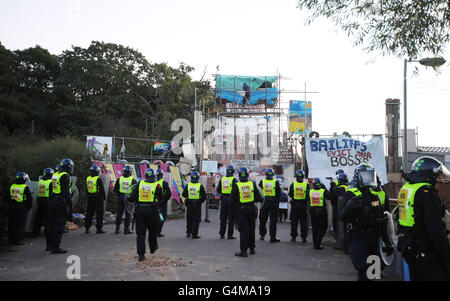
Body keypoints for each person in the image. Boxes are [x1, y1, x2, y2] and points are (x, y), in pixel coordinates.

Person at [396, 156, 450, 281]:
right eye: (436, 176)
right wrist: (446, 252)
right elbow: (434, 228)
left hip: (409, 245)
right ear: (429, 174)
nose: (437, 180)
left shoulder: (407, 189)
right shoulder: (427, 193)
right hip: (425, 248)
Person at [339, 163, 384, 281]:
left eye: (370, 176)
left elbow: (382, 217)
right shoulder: (350, 194)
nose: (368, 179)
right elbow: (342, 216)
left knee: (374, 272)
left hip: (373, 237)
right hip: (358, 236)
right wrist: (349, 206)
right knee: (363, 269)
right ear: (359, 177)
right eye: (365, 176)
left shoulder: (374, 195)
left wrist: (387, 241)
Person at [127, 168, 163, 262]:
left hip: (140, 211)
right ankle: (152, 248)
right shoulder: (157, 185)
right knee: (152, 231)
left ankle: (141, 255)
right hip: (152, 211)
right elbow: (161, 198)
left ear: (146, 175)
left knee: (140, 234)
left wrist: (129, 199)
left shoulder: (140, 184)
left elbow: (131, 197)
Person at [231, 167, 263, 257]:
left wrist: (232, 215)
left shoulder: (236, 186)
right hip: (251, 209)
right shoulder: (252, 184)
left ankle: (244, 251)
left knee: (244, 231)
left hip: (241, 210)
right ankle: (252, 248)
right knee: (251, 229)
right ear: (248, 175)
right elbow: (259, 198)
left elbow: (232, 202)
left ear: (239, 175)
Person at [49, 158, 74, 254]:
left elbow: (52, 189)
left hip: (54, 200)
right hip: (60, 202)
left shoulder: (55, 174)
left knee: (53, 223)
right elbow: (66, 192)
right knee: (59, 225)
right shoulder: (65, 176)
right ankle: (55, 247)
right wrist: (70, 205)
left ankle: (50, 245)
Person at [8, 172, 33, 246]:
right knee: (19, 225)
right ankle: (16, 241)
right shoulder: (25, 187)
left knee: (11, 224)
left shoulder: (12, 186)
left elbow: (8, 197)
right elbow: (30, 199)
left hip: (12, 207)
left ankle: (11, 239)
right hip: (21, 208)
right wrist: (26, 208)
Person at [33, 168, 54, 250]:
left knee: (38, 217)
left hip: (40, 200)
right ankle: (47, 234)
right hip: (47, 201)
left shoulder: (40, 181)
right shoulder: (50, 182)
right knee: (48, 219)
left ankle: (35, 232)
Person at [258, 168, 281, 242]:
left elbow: (259, 192)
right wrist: (276, 202)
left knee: (262, 220)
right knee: (273, 220)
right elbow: (278, 194)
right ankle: (272, 237)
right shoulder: (275, 182)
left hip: (264, 202)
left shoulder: (262, 182)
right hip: (273, 202)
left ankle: (262, 235)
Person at [182, 171, 206, 239]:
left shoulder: (188, 185)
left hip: (189, 204)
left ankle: (188, 232)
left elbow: (183, 194)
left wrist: (189, 197)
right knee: (196, 219)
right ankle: (194, 234)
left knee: (189, 218)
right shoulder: (200, 186)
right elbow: (204, 196)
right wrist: (199, 201)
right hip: (197, 205)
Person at [113, 166, 137, 234]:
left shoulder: (120, 179)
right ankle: (126, 229)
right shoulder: (132, 180)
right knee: (128, 214)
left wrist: (118, 195)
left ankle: (117, 229)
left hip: (120, 197)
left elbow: (115, 190)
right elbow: (135, 190)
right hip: (128, 198)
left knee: (119, 213)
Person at [216, 165, 237, 239]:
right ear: (233, 171)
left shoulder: (223, 179)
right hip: (231, 199)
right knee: (231, 218)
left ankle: (222, 234)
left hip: (223, 199)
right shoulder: (234, 180)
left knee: (223, 217)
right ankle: (230, 235)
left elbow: (218, 190)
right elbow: (236, 191)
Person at [288, 169, 310, 243]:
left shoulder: (293, 184)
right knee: (303, 222)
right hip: (303, 205)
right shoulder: (306, 185)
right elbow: (308, 195)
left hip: (295, 205)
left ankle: (293, 237)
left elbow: (290, 194)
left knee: (294, 222)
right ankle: (304, 238)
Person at [309, 177, 330, 249]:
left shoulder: (310, 191)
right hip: (321, 212)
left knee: (315, 228)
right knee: (323, 228)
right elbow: (329, 196)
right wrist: (324, 188)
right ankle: (317, 244)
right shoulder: (323, 191)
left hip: (313, 211)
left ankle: (315, 244)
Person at [331, 173, 350, 252]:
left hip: (340, 209)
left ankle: (341, 245)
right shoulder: (347, 187)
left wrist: (333, 185)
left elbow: (334, 194)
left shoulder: (341, 188)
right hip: (346, 209)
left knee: (340, 228)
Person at [85, 165, 106, 234]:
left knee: (89, 213)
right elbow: (102, 189)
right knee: (99, 214)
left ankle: (87, 228)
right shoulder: (98, 179)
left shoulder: (88, 178)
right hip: (98, 198)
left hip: (90, 198)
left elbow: (87, 189)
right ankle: (99, 228)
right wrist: (104, 197)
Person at [156, 169, 171, 237]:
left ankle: (155, 231)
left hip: (153, 203)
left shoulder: (153, 182)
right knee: (162, 217)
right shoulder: (164, 183)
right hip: (161, 204)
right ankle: (158, 231)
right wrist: (164, 200)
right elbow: (169, 193)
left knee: (155, 217)